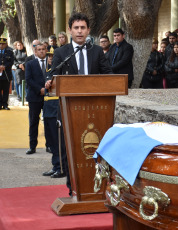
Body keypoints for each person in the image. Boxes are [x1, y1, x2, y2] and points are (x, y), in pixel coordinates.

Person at [46, 12, 112, 197]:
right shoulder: (61, 52)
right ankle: (73, 188)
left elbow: (109, 75)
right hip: (69, 110)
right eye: (76, 28)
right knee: (70, 149)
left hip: (95, 110)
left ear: (88, 30)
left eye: (83, 27)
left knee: (94, 148)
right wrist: (48, 81)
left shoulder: (97, 51)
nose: (80, 31)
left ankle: (96, 188)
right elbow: (53, 74)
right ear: (69, 30)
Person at [42, 46, 65, 178]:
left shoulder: (58, 73)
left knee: (58, 142)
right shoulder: (48, 71)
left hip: (56, 108)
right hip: (47, 109)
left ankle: (60, 167)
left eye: (53, 57)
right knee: (50, 141)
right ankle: (55, 164)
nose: (51, 59)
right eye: (49, 56)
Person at [25, 43, 47, 155]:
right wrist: (40, 89)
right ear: (35, 52)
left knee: (48, 121)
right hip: (34, 96)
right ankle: (32, 146)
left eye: (43, 49)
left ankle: (49, 145)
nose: (41, 51)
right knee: (34, 121)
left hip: (49, 97)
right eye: (39, 50)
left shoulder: (51, 63)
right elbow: (28, 79)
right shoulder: (30, 64)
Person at [0, 38, 14, 110]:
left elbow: (11, 62)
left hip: (6, 74)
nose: (1, 45)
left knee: (6, 90)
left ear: (6, 44)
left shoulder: (10, 52)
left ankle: (5, 104)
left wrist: (5, 66)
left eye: (3, 44)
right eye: (0, 44)